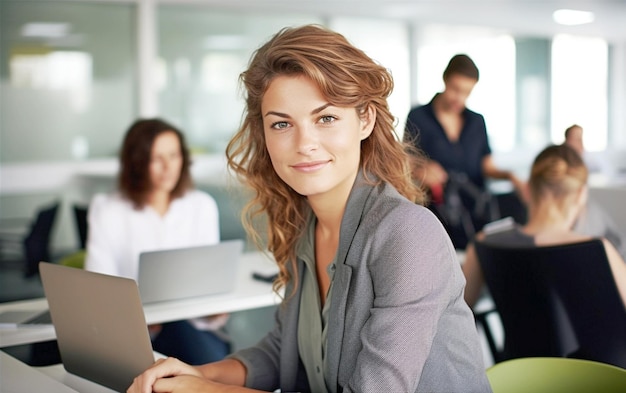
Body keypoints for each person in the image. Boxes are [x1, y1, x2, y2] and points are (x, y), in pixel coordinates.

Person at [128, 25, 491, 393]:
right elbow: (286, 351)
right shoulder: (303, 223)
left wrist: (200, 391)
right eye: (282, 124)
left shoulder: (408, 236)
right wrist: (196, 374)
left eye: (326, 118)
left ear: (364, 120)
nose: (304, 144)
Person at [85, 118, 230, 365]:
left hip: (191, 326)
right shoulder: (108, 209)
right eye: (156, 158)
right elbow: (98, 287)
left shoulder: (201, 205)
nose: (168, 167)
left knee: (194, 354)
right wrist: (138, 319)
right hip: (133, 332)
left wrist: (214, 310)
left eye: (174, 156)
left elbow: (208, 280)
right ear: (137, 163)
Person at [462, 144, 626, 309]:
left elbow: (457, 311)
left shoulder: (483, 243)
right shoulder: (598, 249)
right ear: (581, 194)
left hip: (518, 336)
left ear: (526, 189)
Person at [404, 54, 524, 249]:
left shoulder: (477, 122)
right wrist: (422, 170)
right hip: (436, 216)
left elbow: (487, 167)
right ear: (445, 79)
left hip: (475, 214)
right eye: (455, 89)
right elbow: (405, 164)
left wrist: (511, 176)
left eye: (467, 92)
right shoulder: (418, 117)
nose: (459, 98)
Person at [562, 124, 626, 261]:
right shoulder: (561, 165)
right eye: (577, 139)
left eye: (582, 139)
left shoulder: (588, 161)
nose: (581, 144)